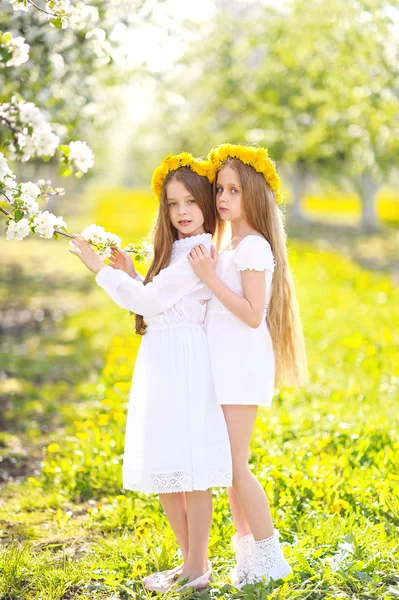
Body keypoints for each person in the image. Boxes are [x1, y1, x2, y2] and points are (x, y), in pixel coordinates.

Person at [70, 152, 232, 592]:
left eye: (191, 203)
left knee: (192, 468)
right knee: (167, 465)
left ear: (207, 204)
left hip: (185, 362)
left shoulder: (201, 249)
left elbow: (151, 303)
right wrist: (133, 273)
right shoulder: (178, 249)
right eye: (172, 204)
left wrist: (101, 271)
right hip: (163, 357)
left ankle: (198, 566)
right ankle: (189, 563)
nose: (182, 212)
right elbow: (160, 301)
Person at [188, 143, 308, 587]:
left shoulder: (253, 246)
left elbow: (253, 313)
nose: (222, 198)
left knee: (237, 466)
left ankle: (271, 557)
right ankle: (248, 559)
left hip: (240, 367)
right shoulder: (230, 242)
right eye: (220, 189)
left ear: (253, 194)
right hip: (222, 365)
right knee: (227, 467)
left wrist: (210, 278)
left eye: (233, 191)